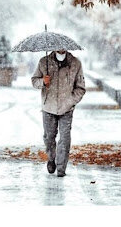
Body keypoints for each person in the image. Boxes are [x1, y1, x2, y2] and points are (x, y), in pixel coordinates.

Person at [31, 49, 86, 177]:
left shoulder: (75, 63)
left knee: (65, 138)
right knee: (49, 137)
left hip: (67, 108)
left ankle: (61, 168)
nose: (61, 49)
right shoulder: (44, 62)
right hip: (48, 107)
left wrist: (71, 101)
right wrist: (43, 82)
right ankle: (51, 158)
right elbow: (34, 81)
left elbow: (81, 87)